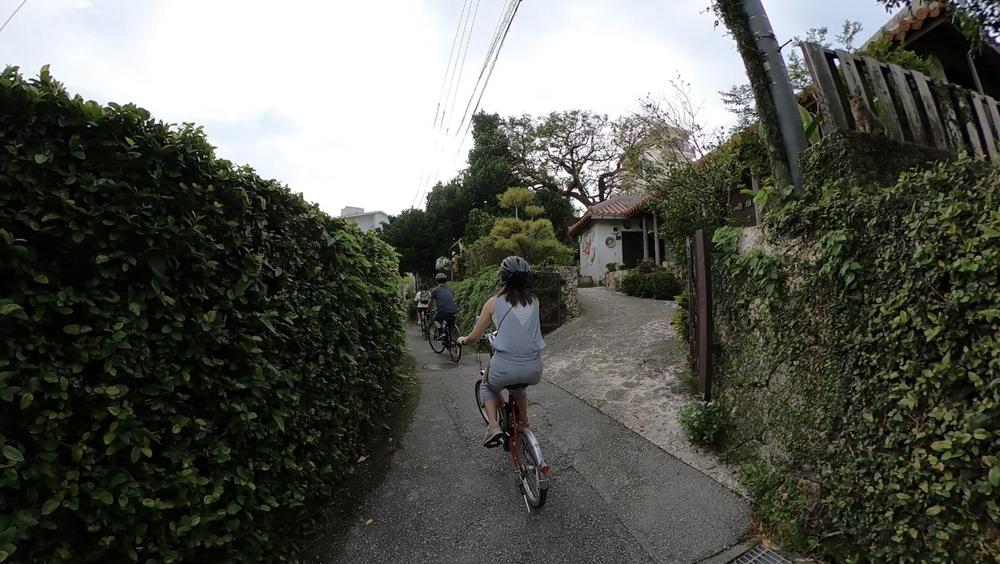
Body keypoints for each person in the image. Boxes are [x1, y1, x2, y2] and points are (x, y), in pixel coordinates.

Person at [458, 256, 545, 448]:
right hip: (534, 369)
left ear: (503, 278)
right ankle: (524, 425)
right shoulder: (535, 301)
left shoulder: (493, 303)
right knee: (519, 388)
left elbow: (474, 336)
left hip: (505, 368)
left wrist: (464, 340)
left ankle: (493, 426)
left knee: (487, 387)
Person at [429, 272, 458, 340]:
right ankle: (452, 341)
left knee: (436, 320)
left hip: (442, 311)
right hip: (454, 311)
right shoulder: (450, 290)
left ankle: (441, 331)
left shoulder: (435, 291)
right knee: (451, 325)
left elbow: (430, 303)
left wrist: (429, 310)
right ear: (446, 281)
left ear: (437, 281)